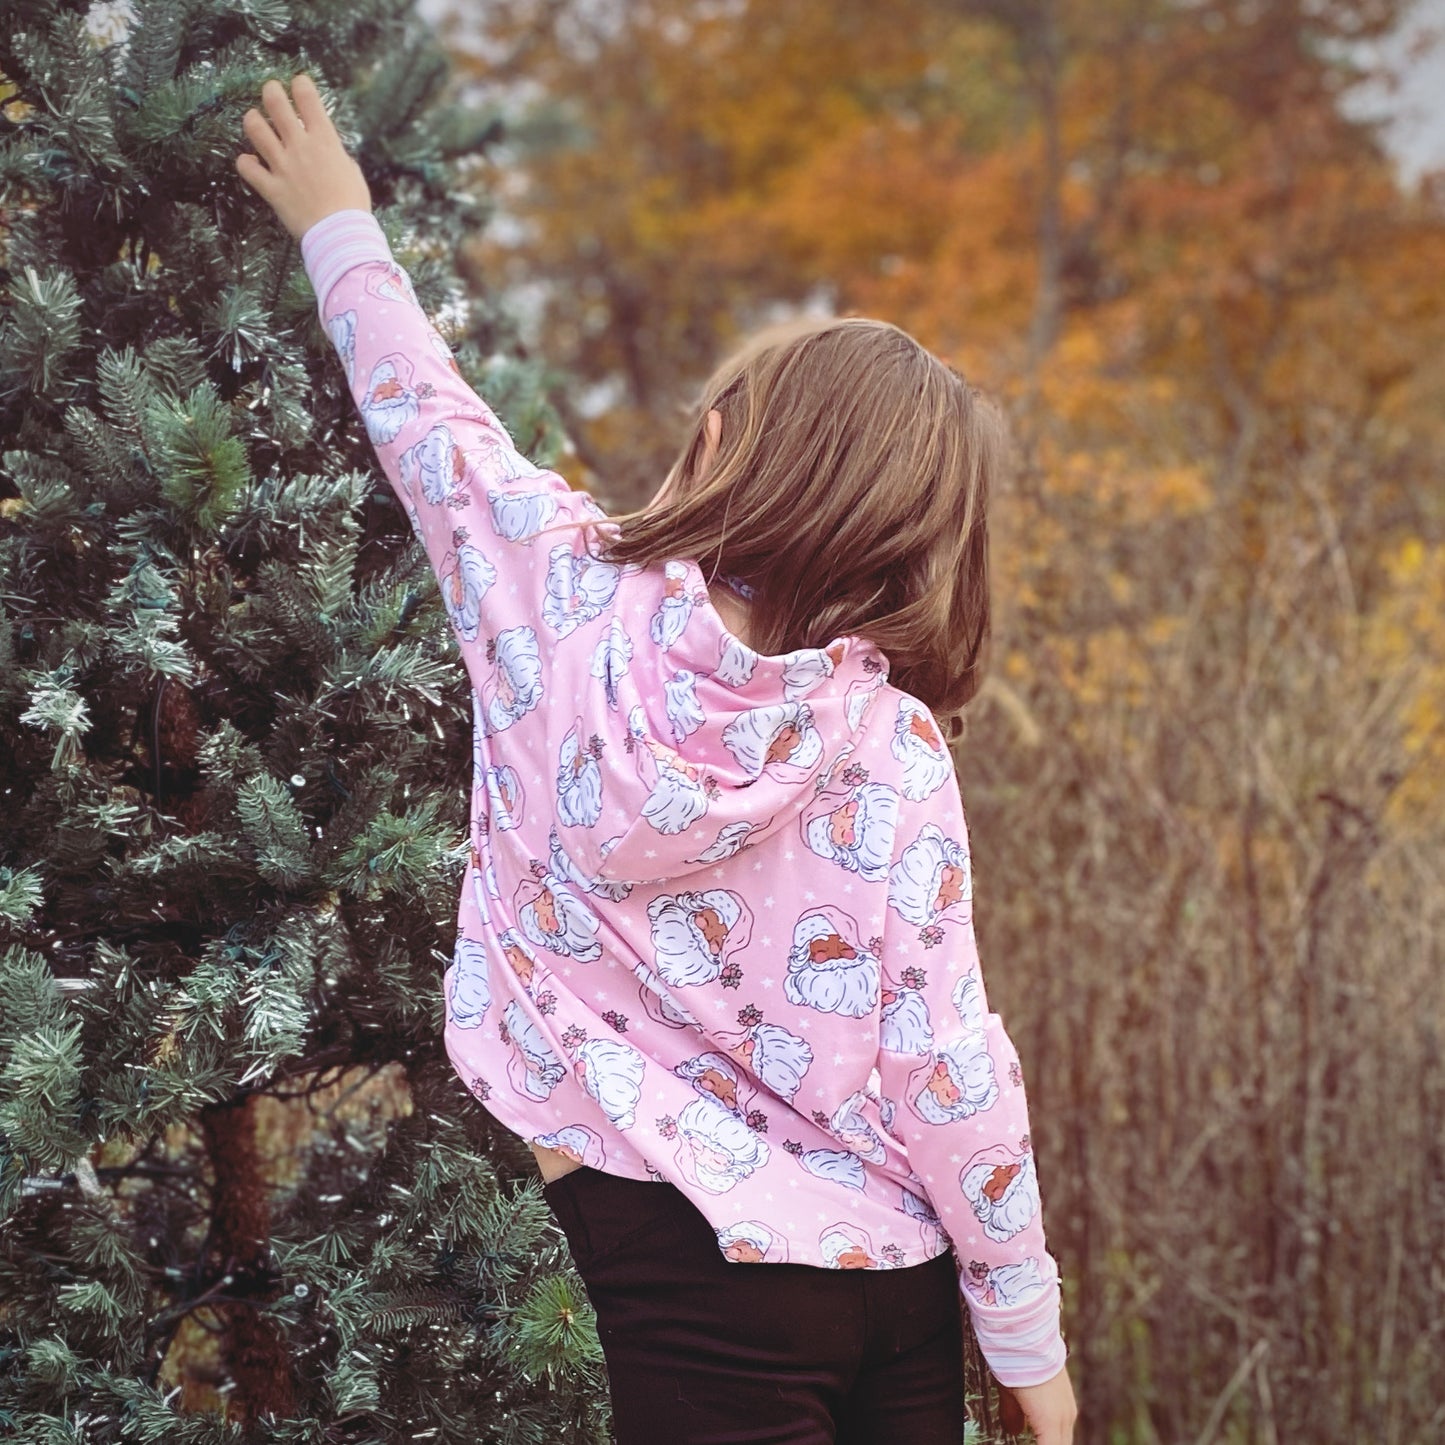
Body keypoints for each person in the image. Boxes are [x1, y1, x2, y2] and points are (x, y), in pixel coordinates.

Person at [236, 73, 1078, 1445]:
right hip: (902, 1271)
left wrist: (340, 224)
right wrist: (1024, 1333)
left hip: (691, 1277)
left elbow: (427, 419)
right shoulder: (894, 743)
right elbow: (948, 1065)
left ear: (716, 444)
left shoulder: (561, 595)